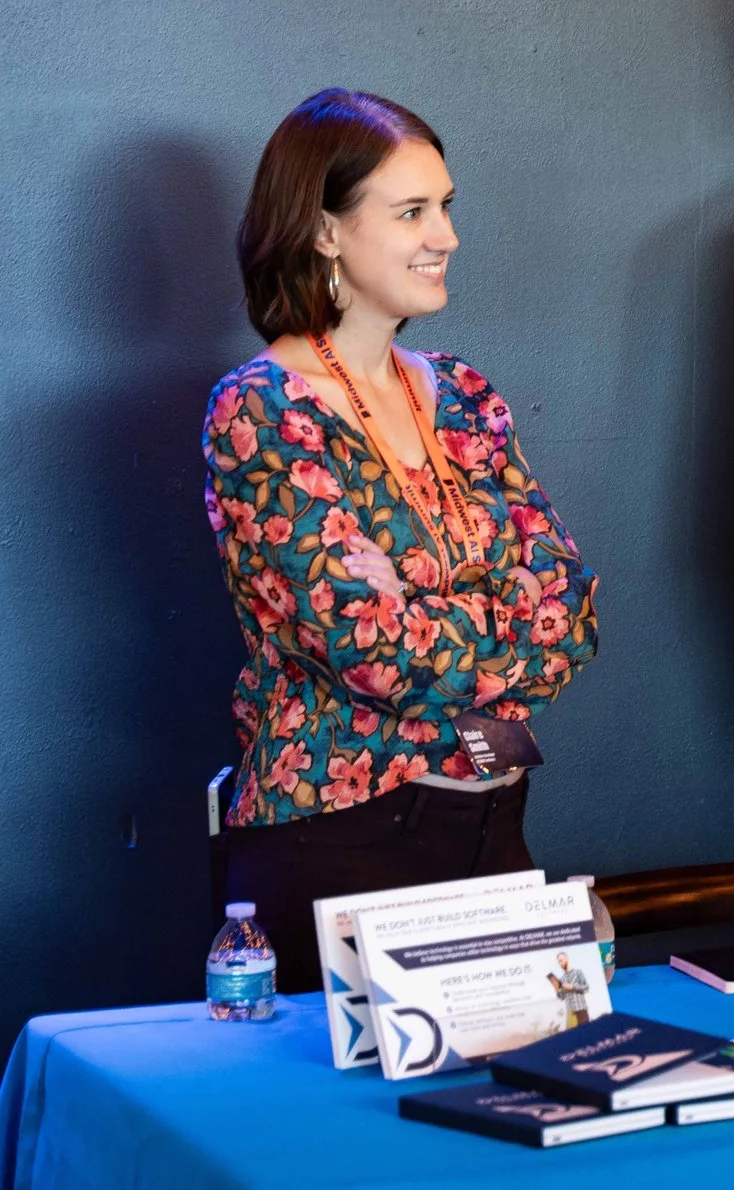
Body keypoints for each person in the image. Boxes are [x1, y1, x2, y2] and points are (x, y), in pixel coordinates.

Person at [205, 89, 599, 992]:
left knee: (511, 1113)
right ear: (326, 230)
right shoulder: (263, 408)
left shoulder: (460, 393)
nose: (446, 234)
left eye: (447, 206)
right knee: (346, 1133)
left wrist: (430, 608)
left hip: (494, 832)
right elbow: (374, 652)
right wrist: (496, 607)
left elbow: (571, 612)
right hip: (339, 846)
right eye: (413, 211)